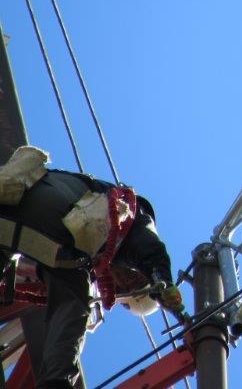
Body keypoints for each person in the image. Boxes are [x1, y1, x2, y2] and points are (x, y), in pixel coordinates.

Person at [0, 146, 184, 388]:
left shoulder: (76, 250)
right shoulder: (130, 215)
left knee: (73, 286)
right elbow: (151, 250)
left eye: (125, 288)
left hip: (15, 216)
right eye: (136, 281)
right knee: (76, 297)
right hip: (40, 211)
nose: (125, 282)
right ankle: (56, 383)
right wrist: (163, 282)